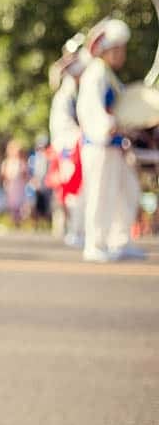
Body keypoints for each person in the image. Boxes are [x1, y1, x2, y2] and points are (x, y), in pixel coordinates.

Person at [77, 18, 145, 261]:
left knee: (127, 191)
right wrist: (109, 126)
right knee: (100, 194)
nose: (121, 54)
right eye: (117, 48)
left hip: (115, 147)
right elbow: (90, 109)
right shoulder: (95, 73)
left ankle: (120, 240)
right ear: (104, 50)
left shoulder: (110, 75)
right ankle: (95, 244)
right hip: (99, 146)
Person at [48, 39, 90, 246]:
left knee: (81, 190)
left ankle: (78, 229)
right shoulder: (64, 94)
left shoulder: (83, 88)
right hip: (69, 147)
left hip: (80, 145)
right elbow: (63, 127)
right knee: (71, 190)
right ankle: (73, 230)